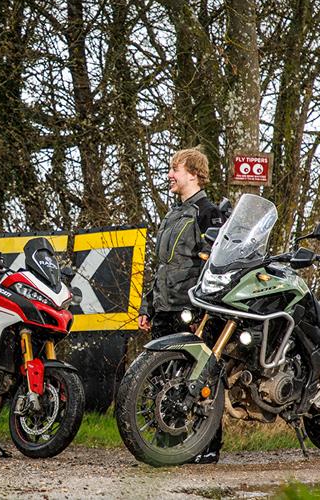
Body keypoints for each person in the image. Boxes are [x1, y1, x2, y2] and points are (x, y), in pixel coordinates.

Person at [137, 147, 224, 463]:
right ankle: (165, 445)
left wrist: (204, 307)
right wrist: (148, 305)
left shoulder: (209, 213)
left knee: (199, 378)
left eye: (176, 169)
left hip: (192, 309)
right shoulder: (173, 214)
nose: (170, 174)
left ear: (194, 174)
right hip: (164, 308)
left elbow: (216, 264)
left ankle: (207, 446)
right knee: (163, 381)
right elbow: (163, 265)